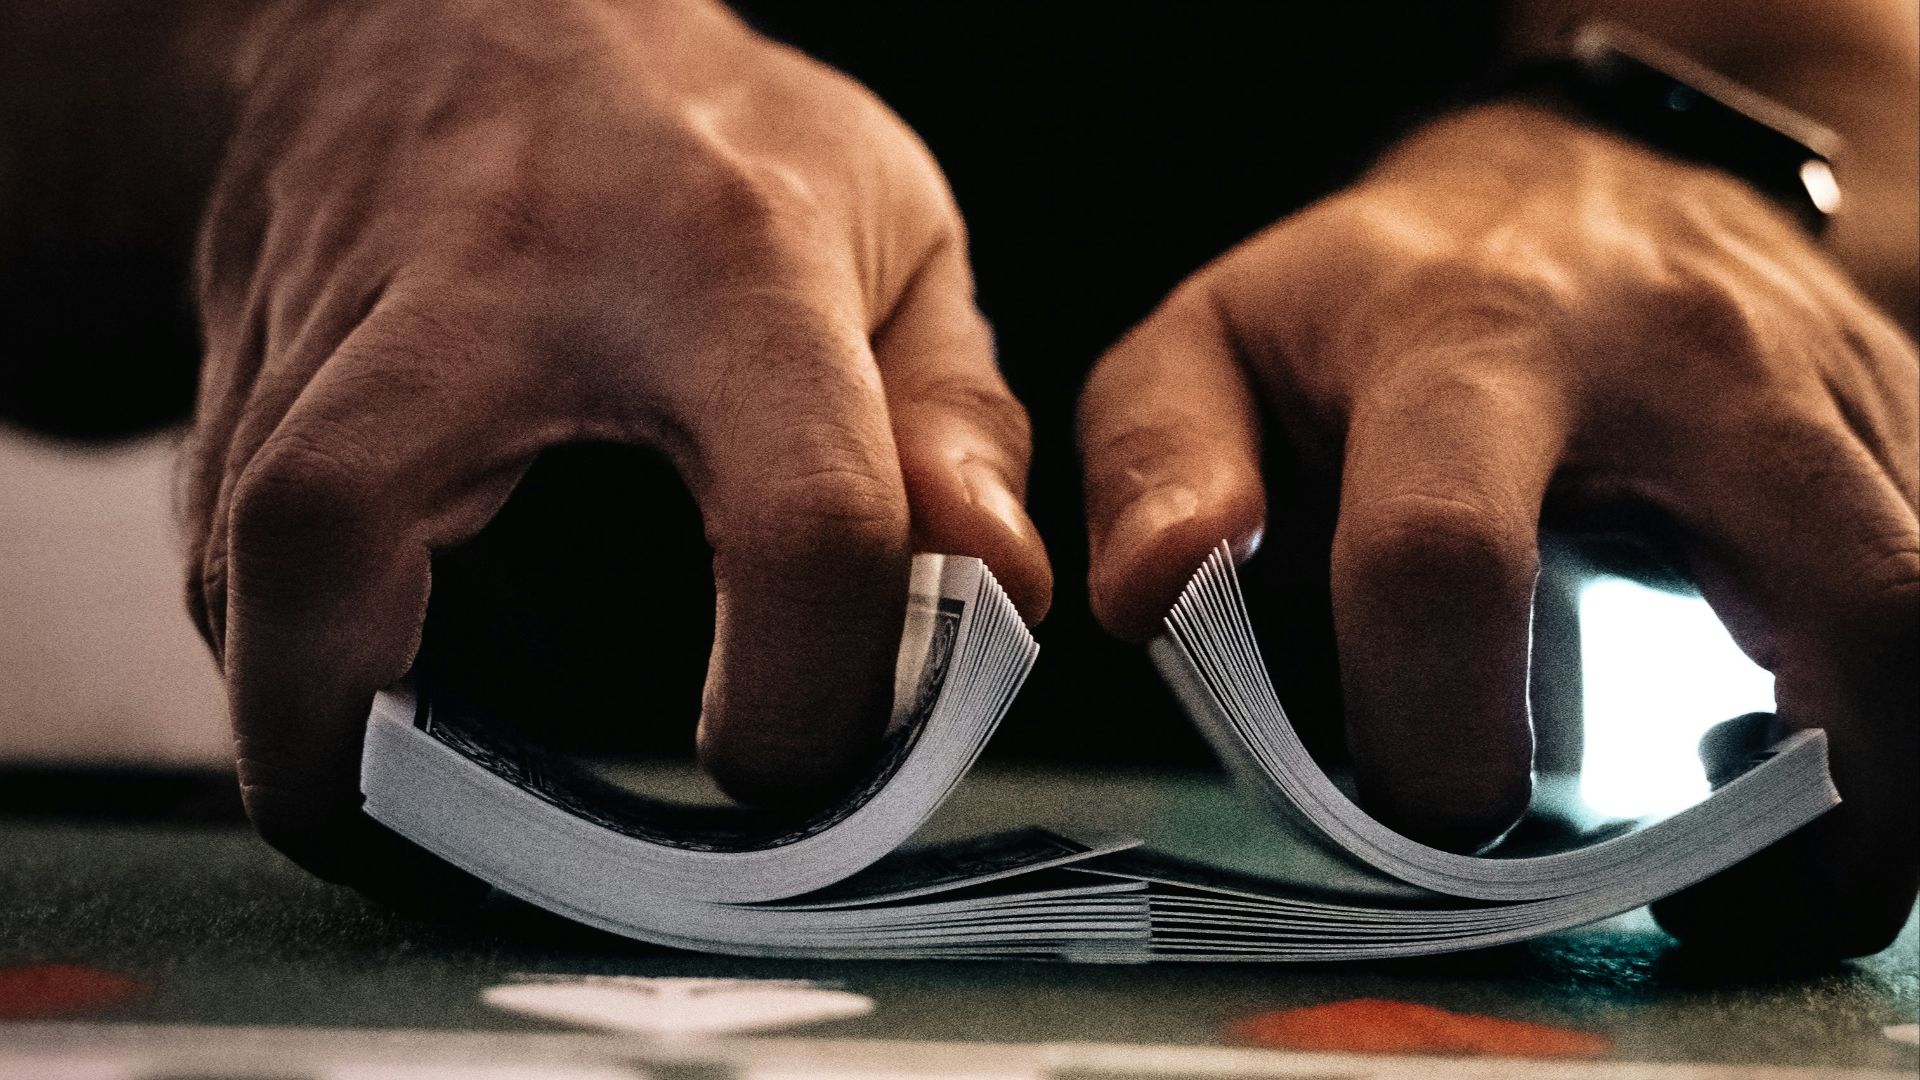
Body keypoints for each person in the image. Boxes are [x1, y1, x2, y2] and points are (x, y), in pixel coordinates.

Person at [2, 0, 1912, 960]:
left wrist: (1672, 151)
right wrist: (306, 44)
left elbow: (1850, 65)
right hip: (462, 842)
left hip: (1431, 807)